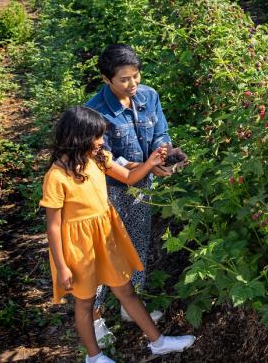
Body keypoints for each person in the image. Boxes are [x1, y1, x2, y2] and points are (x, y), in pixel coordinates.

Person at [41, 106, 195, 363]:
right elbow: (53, 226)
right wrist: (62, 266)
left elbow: (129, 177)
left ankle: (158, 342)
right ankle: (94, 357)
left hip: (105, 237)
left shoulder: (98, 158)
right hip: (79, 247)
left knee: (126, 290)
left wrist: (151, 163)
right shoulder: (56, 177)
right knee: (85, 303)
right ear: (79, 138)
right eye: (97, 137)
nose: (102, 141)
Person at [84, 44, 172, 336]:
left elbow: (160, 132)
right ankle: (94, 317)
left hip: (142, 186)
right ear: (106, 79)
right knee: (102, 251)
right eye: (124, 79)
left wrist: (163, 156)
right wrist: (146, 166)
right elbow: (105, 158)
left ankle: (130, 305)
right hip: (108, 190)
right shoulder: (95, 111)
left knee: (137, 243)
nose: (132, 83)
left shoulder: (149, 96)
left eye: (136, 76)